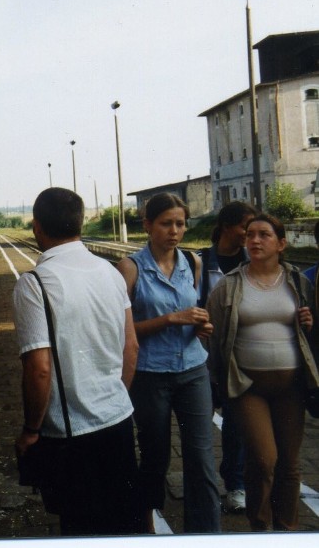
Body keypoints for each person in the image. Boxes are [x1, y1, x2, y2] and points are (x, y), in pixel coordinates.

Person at [13, 187, 144, 536]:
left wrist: (30, 430)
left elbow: (39, 369)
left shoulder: (34, 283)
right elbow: (130, 348)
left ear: (37, 227)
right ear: (81, 223)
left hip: (70, 435)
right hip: (117, 420)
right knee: (124, 525)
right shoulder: (111, 273)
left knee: (81, 528)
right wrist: (114, 396)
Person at [115, 193, 221, 533]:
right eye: (165, 224)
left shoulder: (194, 262)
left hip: (192, 370)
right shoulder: (130, 269)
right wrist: (171, 319)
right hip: (150, 375)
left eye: (180, 223)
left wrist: (200, 325)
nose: (174, 231)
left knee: (202, 459)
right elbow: (122, 330)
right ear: (147, 225)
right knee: (155, 457)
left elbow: (193, 312)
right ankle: (145, 529)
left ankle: (206, 534)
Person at [206, 214, 318, 531]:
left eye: (264, 235)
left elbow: (311, 337)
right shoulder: (229, 286)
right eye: (250, 234)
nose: (254, 240)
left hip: (291, 386)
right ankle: (260, 527)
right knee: (264, 459)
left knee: (289, 465)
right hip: (247, 386)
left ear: (281, 244)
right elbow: (214, 338)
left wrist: (309, 325)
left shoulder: (299, 283)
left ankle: (287, 530)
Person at [197, 201, 256, 513]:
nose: (250, 235)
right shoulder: (199, 261)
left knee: (236, 424)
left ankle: (235, 485)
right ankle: (202, 485)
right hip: (203, 358)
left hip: (239, 356)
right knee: (199, 423)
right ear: (227, 227)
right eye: (245, 228)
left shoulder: (253, 262)